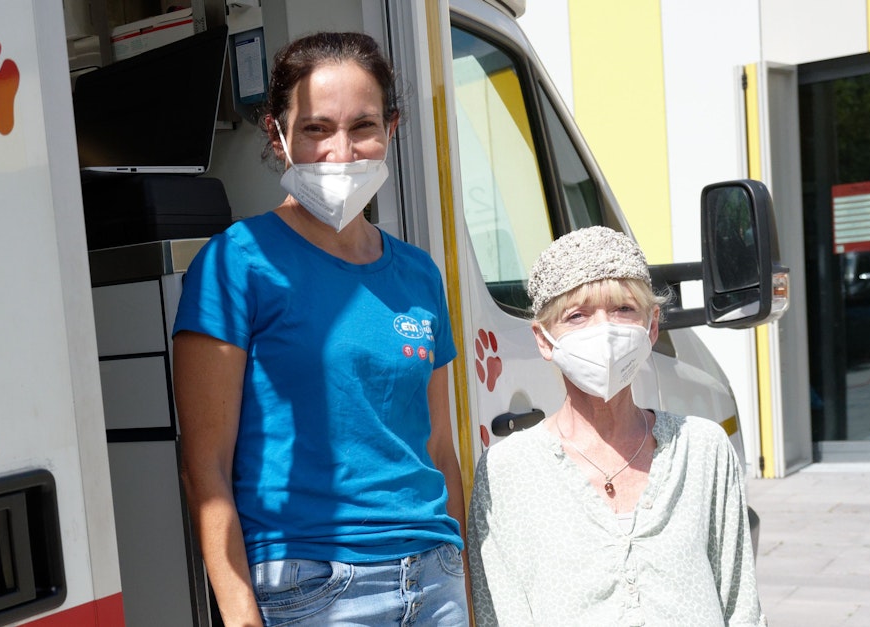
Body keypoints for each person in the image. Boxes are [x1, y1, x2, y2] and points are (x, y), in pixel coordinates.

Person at [174, 32, 467, 627]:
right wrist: (238, 615)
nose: (341, 151)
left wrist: (464, 579)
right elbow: (204, 467)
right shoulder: (236, 262)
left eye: (362, 126)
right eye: (315, 129)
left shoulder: (417, 272)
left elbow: (439, 446)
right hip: (314, 586)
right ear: (277, 136)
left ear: (391, 128)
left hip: (435, 579)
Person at [467, 227, 764, 626]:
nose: (604, 331)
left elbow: (741, 605)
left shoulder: (703, 448)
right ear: (543, 340)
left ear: (652, 325)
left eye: (624, 309)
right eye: (577, 315)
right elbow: (499, 612)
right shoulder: (507, 470)